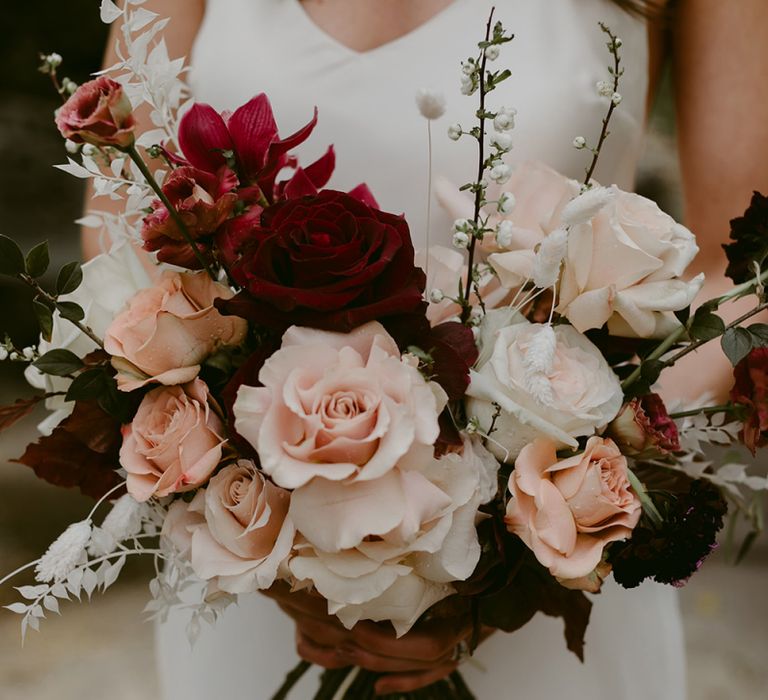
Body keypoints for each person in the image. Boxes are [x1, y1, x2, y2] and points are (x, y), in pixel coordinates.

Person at [85, 1, 768, 697]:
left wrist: (542, 518)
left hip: (547, 572)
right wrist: (285, 544)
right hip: (252, 568)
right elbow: (116, 220)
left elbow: (743, 266)